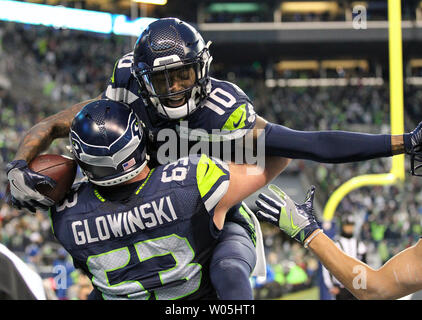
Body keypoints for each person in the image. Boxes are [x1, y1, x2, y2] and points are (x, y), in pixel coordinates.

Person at [6, 17, 422, 299]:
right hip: (138, 203)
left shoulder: (226, 109)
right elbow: (63, 126)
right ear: (142, 77)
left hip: (209, 204)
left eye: (182, 75)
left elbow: (309, 144)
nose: (173, 89)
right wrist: (19, 166)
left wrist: (403, 142)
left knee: (228, 274)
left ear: (201, 68)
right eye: (162, 79)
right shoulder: (126, 91)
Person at [49, 98, 285, 300]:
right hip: (199, 291)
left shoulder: (65, 213)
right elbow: (279, 155)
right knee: (229, 257)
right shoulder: (189, 180)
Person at [255, 184, 422, 300]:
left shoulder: (358, 244)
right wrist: (310, 234)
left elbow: (373, 289)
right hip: (345, 282)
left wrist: (309, 233)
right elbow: (374, 289)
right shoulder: (341, 241)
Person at [321, 214, 367, 300]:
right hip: (340, 287)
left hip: (357, 286)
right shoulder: (335, 244)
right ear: (342, 226)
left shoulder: (360, 244)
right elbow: (326, 265)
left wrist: (364, 284)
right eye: (347, 226)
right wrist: (330, 286)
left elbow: (364, 266)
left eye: (351, 226)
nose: (349, 228)